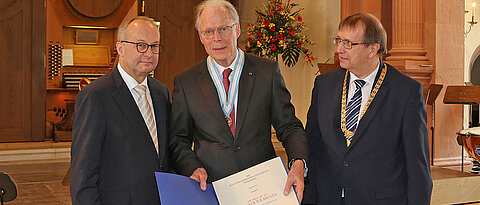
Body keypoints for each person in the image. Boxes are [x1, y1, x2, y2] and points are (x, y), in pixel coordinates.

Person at [169, 0, 309, 201]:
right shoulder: (186, 81)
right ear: (201, 37)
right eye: (208, 31)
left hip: (263, 190)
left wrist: (298, 162)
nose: (217, 38)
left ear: (237, 29)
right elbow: (178, 139)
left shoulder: (267, 72)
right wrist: (192, 167)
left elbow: (289, 127)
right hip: (211, 189)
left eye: (224, 29)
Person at [302, 12, 432, 204]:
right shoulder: (324, 85)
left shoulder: (406, 92)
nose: (339, 50)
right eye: (338, 40)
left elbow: (417, 166)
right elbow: (313, 148)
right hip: (329, 197)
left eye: (348, 43)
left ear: (373, 49)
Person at [70, 16, 171, 205]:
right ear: (120, 48)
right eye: (141, 45)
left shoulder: (161, 92)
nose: (149, 53)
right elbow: (83, 173)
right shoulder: (95, 96)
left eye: (155, 46)